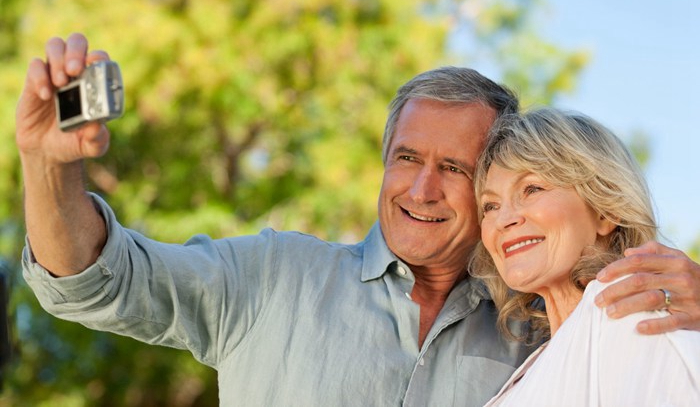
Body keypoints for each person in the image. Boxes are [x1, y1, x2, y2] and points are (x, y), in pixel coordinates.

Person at [16, 34, 700, 406]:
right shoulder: (271, 277)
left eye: (457, 172)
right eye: (406, 158)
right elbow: (94, 280)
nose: (421, 187)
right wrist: (48, 166)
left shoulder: (543, 334)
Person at [470, 107, 700, 406]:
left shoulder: (628, 320)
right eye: (490, 206)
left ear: (606, 210)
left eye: (532, 188)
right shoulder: (554, 353)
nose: (503, 219)